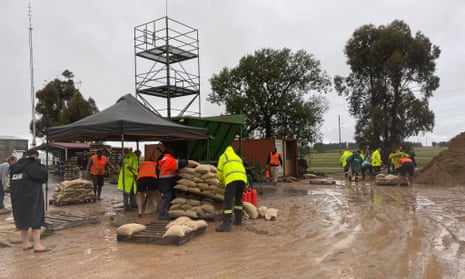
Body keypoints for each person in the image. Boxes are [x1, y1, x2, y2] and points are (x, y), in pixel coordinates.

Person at [9, 150, 49, 252]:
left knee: (22, 219)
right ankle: (37, 245)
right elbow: (44, 177)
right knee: (36, 219)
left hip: (17, 198)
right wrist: (39, 164)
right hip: (32, 197)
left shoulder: (14, 166)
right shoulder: (33, 165)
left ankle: (25, 243)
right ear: (35, 156)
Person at [216, 145, 248, 232]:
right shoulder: (237, 157)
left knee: (228, 201)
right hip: (242, 179)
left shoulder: (223, 156)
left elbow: (219, 172)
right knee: (238, 200)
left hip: (231, 179)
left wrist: (221, 182)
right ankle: (238, 220)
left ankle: (226, 224)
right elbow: (242, 169)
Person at [157, 146, 194, 220]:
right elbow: (182, 162)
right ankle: (161, 214)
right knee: (167, 197)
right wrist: (192, 163)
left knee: (167, 197)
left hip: (163, 181)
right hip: (167, 181)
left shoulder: (164, 159)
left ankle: (167, 212)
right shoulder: (169, 159)